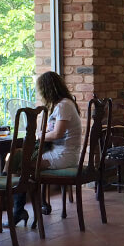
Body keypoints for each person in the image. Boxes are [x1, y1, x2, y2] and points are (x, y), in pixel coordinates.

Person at [7, 71, 82, 228]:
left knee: (22, 165)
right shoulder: (63, 104)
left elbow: (57, 134)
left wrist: (40, 136)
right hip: (60, 151)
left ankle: (18, 209)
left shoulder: (63, 105)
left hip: (64, 154)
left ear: (47, 89)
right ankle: (21, 207)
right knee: (17, 159)